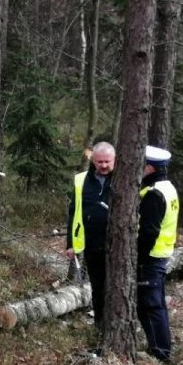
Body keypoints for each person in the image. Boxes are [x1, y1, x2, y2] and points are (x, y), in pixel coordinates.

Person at [66, 141, 115, 330]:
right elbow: (73, 213)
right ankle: (100, 326)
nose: (103, 165)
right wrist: (70, 243)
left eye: (107, 162)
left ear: (115, 160)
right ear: (93, 160)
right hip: (92, 245)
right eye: (99, 161)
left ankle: (119, 324)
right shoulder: (81, 181)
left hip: (117, 246)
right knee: (98, 288)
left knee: (118, 287)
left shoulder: (124, 179)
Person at [137, 145, 179, 363]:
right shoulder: (168, 188)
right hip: (161, 254)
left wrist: (137, 257)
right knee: (156, 303)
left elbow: (148, 232)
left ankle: (160, 352)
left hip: (150, 257)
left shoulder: (154, 194)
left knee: (151, 304)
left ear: (150, 167)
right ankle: (160, 347)